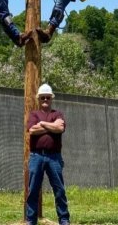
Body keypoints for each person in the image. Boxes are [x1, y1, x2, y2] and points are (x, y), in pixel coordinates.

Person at [26, 83, 70, 225]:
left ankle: (64, 220)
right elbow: (32, 130)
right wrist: (51, 125)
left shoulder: (58, 114)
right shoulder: (33, 114)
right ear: (39, 99)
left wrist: (42, 124)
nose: (45, 100)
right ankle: (31, 221)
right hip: (36, 156)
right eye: (43, 97)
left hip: (54, 157)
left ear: (52, 99)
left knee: (59, 190)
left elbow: (60, 128)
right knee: (33, 191)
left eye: (48, 97)